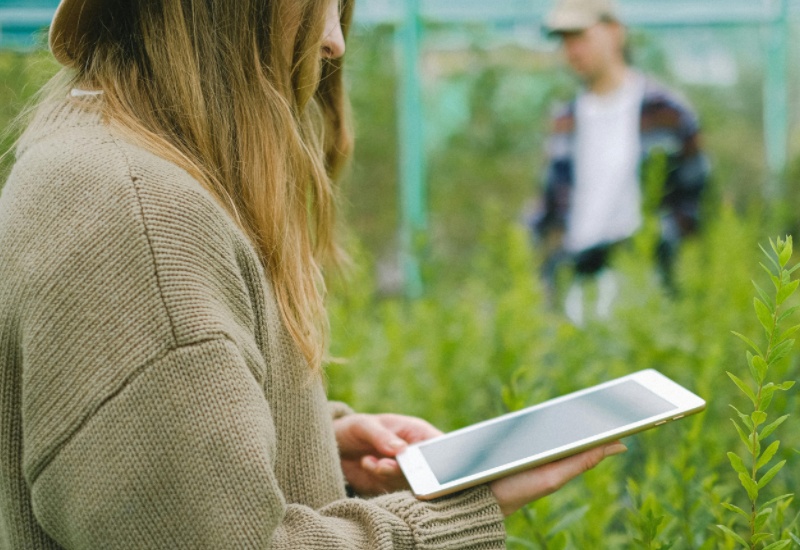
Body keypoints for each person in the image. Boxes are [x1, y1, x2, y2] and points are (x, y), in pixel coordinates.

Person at [0, 0, 627, 547]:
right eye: (318, 4)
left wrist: (322, 445)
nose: (335, 42)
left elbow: (145, 455)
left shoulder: (95, 165)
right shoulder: (138, 220)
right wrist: (455, 513)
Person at [531, 0, 710, 325]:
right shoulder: (565, 120)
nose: (572, 50)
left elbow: (694, 203)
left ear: (615, 32)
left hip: (646, 284)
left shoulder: (666, 113)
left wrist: (646, 249)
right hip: (576, 287)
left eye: (580, 36)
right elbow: (549, 208)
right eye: (564, 40)